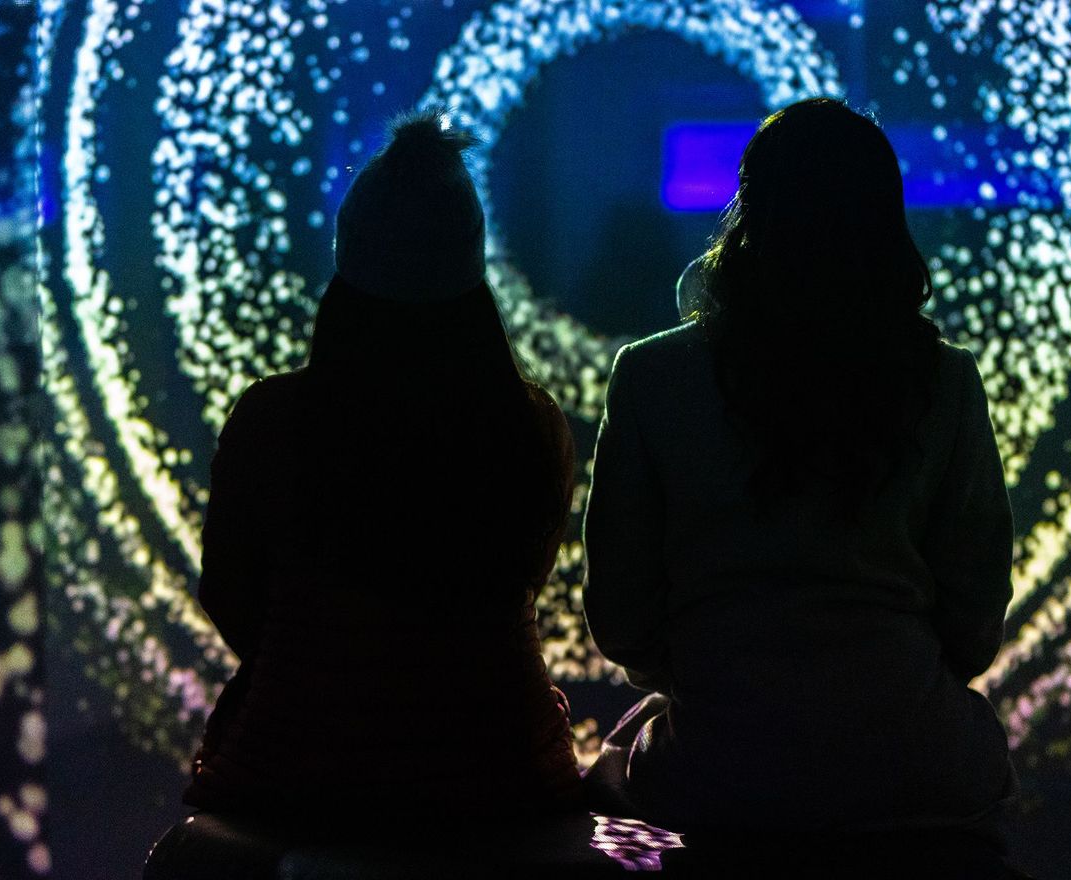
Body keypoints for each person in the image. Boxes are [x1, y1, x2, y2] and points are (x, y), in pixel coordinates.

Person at [582, 98, 1018, 867]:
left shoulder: (651, 379)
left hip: (718, 775)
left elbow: (621, 620)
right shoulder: (945, 383)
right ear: (887, 220)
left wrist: (710, 679)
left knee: (612, 767)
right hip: (916, 769)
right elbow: (976, 622)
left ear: (749, 211)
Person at [182, 110, 581, 828]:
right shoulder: (530, 425)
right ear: (472, 265)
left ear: (347, 256)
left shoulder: (272, 421)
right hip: (505, 774)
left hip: (296, 773)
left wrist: (335, 676)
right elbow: (524, 579)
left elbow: (230, 594)